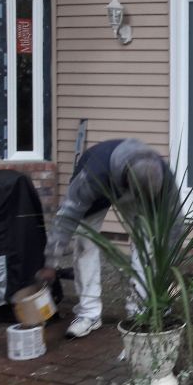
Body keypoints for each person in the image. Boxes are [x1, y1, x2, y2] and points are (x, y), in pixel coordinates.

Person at [36, 139, 176, 338]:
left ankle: (140, 309)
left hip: (135, 187)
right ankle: (89, 314)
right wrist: (50, 262)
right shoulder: (90, 177)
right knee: (84, 244)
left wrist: (170, 267)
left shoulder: (162, 173)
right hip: (99, 189)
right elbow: (65, 219)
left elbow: (175, 222)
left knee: (146, 241)